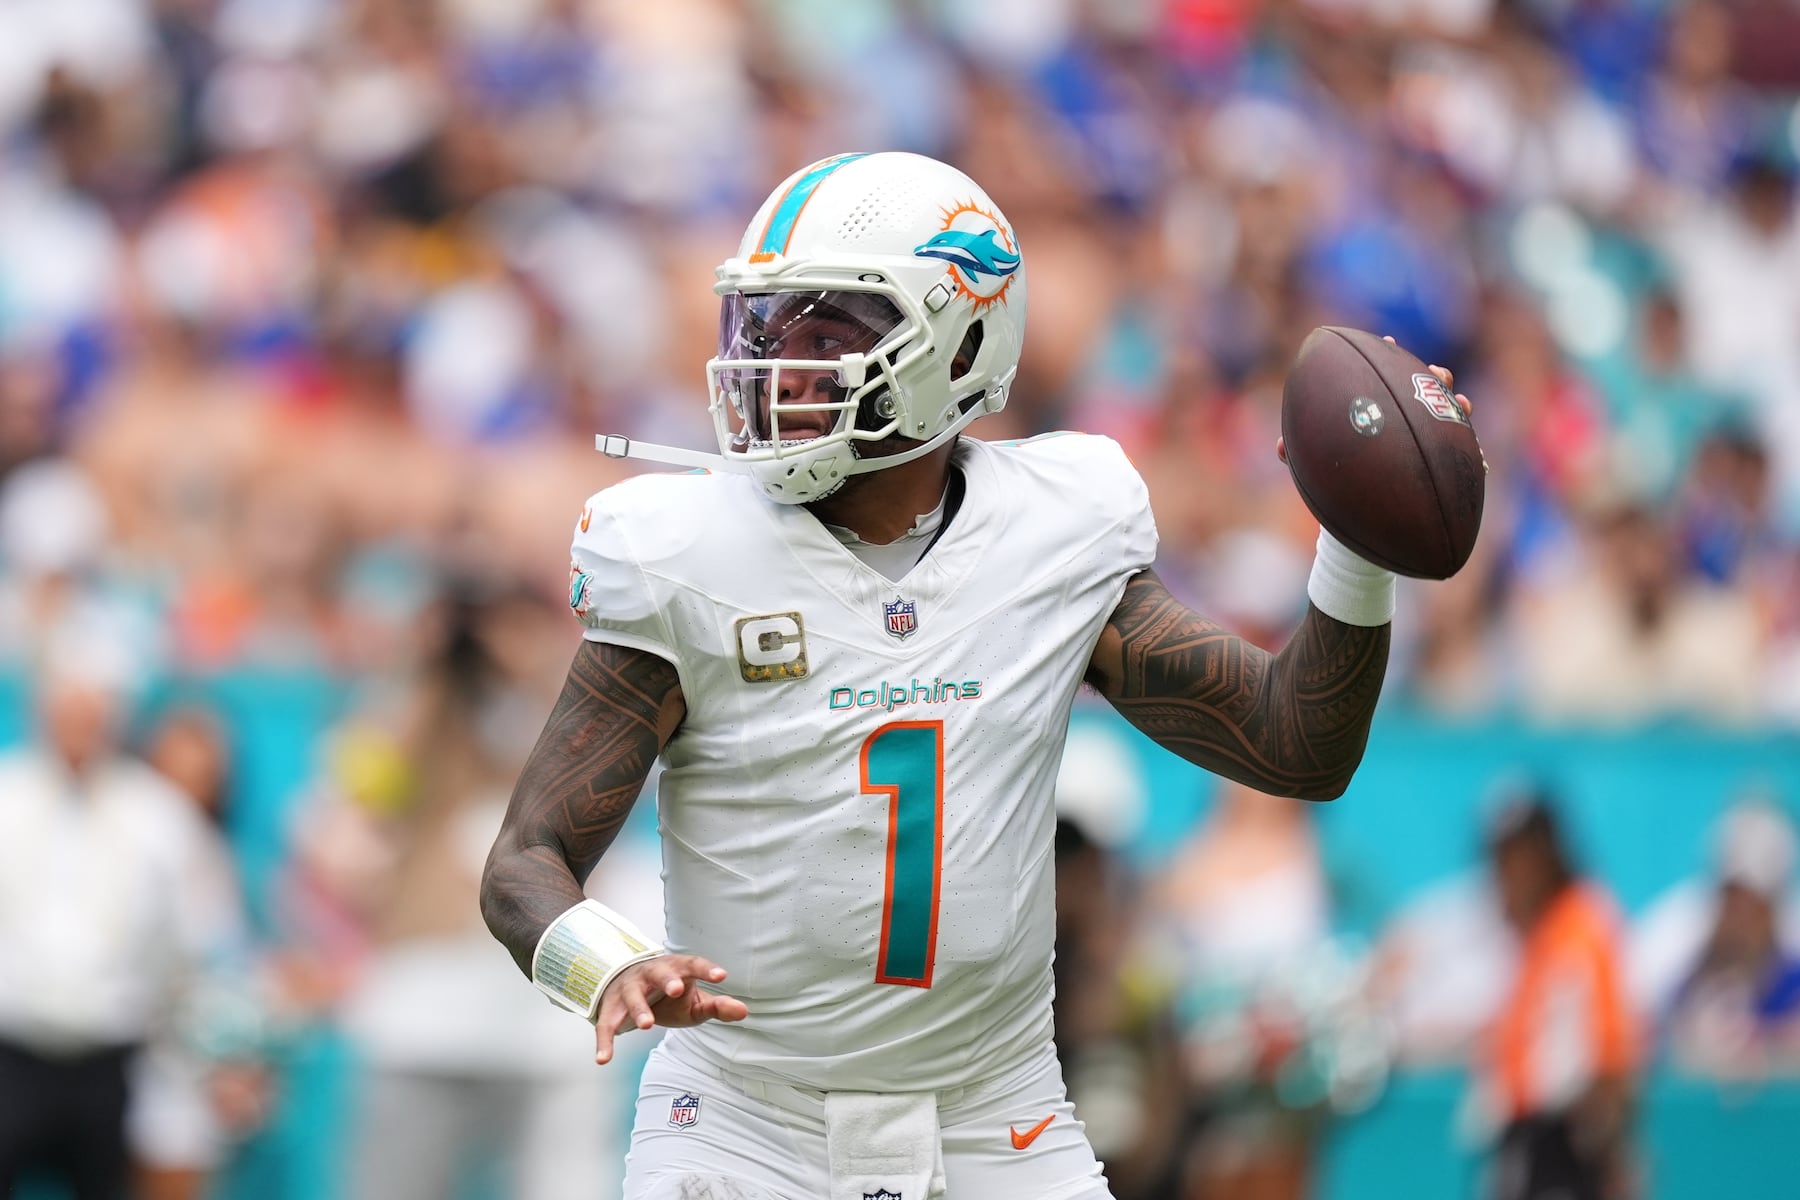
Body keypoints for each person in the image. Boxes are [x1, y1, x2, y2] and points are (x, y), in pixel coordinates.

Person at [481, 151, 1466, 1200]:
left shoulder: (1052, 531)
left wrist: (1356, 545)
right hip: (745, 1124)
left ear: (955, 349)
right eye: (765, 331)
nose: (782, 369)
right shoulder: (688, 554)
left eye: (826, 334)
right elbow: (525, 861)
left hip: (996, 1122)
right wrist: (605, 966)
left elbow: (1295, 746)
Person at [1476, 791, 1637, 1200]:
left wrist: (1608, 1160)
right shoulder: (1535, 935)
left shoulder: (1582, 925)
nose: (1507, 872)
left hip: (1564, 1148)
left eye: (1519, 856)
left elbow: (1608, 1061)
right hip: (1528, 1142)